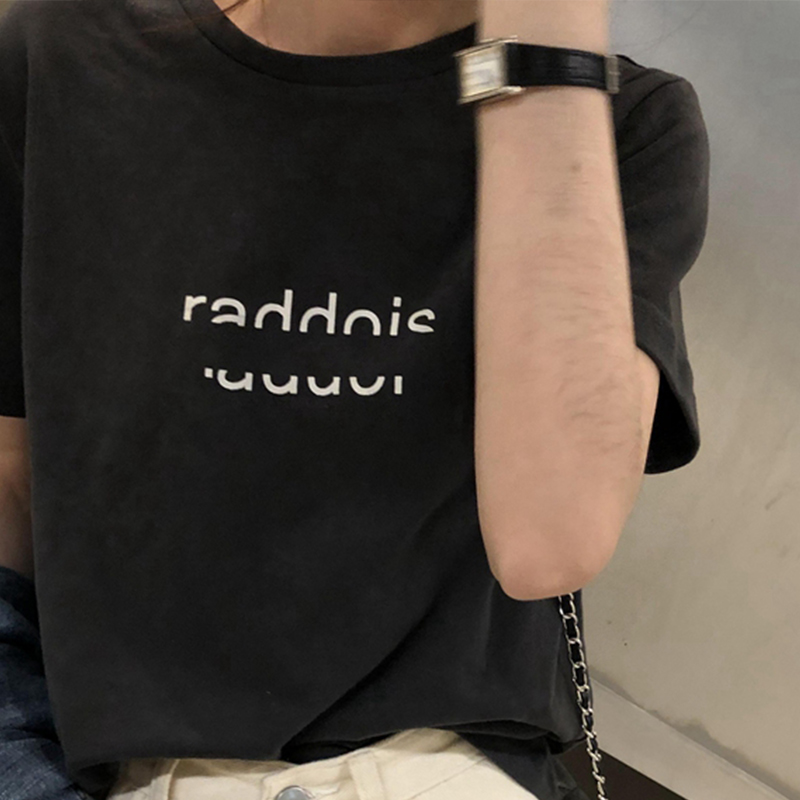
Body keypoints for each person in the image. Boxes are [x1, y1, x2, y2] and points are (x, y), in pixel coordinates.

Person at [0, 0, 710, 799]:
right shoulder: (66, 53)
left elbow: (547, 544)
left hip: (442, 771)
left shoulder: (621, 121)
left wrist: (548, 45)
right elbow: (12, 480)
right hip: (137, 772)